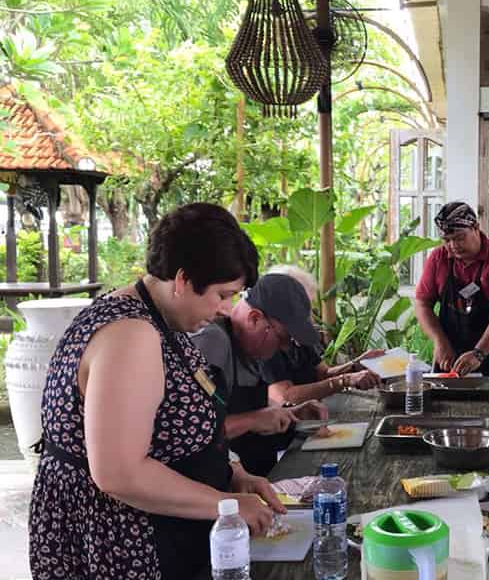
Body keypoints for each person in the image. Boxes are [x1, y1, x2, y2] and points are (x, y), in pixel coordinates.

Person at [29, 203, 285, 579]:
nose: (226, 310)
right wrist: (226, 504)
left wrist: (229, 472)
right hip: (121, 542)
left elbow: (166, 433)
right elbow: (119, 474)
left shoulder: (159, 321)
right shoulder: (130, 334)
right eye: (221, 294)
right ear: (182, 280)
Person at [192, 273, 329, 476]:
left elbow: (251, 410)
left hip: (259, 477)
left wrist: (291, 413)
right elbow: (194, 429)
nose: (284, 347)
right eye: (283, 338)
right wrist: (252, 420)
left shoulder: (251, 347)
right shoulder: (214, 342)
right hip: (220, 489)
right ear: (255, 318)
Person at [414, 201, 489, 376]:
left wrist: (479, 353)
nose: (453, 246)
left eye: (460, 238)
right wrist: (439, 341)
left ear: (476, 228)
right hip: (449, 356)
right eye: (447, 240)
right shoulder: (438, 258)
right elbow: (422, 304)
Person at [262, 265, 384, 405]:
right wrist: (345, 380)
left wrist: (358, 364)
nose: (309, 317)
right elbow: (286, 397)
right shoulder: (263, 340)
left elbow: (323, 374)